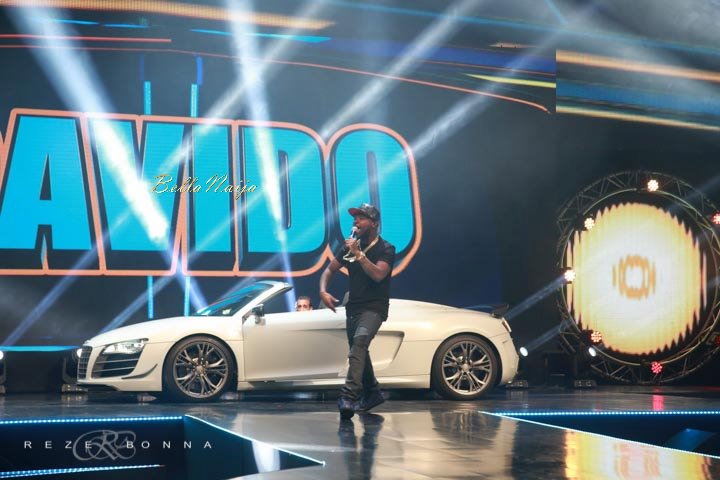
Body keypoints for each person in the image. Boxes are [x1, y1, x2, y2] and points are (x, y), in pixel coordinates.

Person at [319, 203, 395, 420]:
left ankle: (348, 397)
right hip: (353, 307)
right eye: (355, 218)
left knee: (360, 343)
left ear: (374, 223)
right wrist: (323, 291)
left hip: (375, 308)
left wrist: (359, 255)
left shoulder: (386, 248)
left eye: (361, 218)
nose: (355, 221)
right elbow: (328, 271)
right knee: (359, 350)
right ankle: (372, 393)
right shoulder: (349, 247)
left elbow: (378, 275)